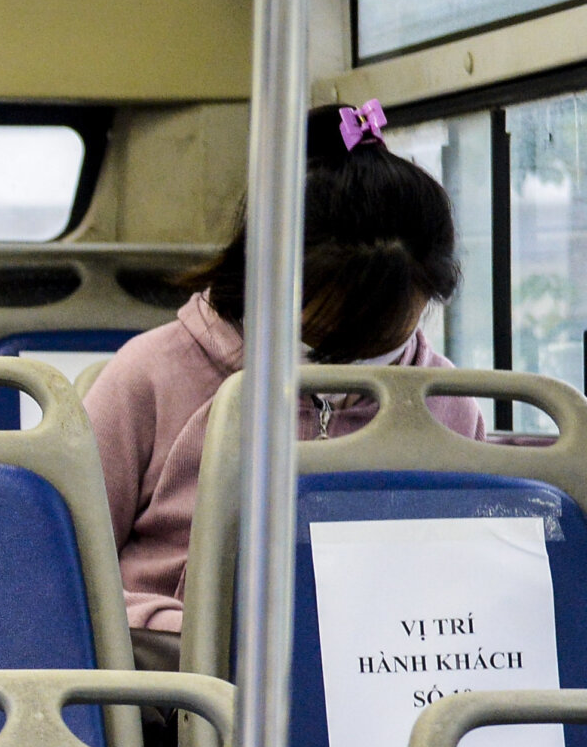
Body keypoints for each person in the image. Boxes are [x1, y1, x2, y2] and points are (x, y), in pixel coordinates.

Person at [86, 99, 481, 668]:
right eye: (324, 343)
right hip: (179, 671)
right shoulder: (150, 375)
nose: (346, 370)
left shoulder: (445, 404)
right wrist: (191, 630)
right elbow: (59, 573)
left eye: (382, 346)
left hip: (374, 667)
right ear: (263, 280)